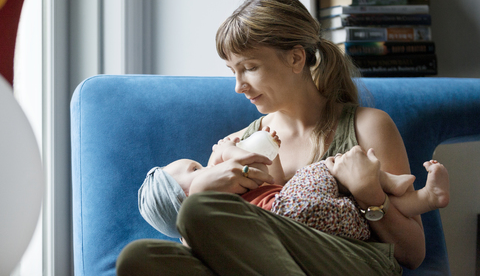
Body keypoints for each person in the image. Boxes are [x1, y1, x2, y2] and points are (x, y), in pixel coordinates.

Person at [117, 0, 428, 275]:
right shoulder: (242, 144)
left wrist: (370, 195)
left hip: (351, 262)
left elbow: (412, 253)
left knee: (200, 210)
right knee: (140, 258)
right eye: (232, 71)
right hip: (266, 265)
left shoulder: (367, 126)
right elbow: (208, 244)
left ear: (295, 58)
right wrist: (201, 190)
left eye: (249, 67)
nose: (238, 87)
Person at [138, 128, 449, 242]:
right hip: (291, 220)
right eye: (194, 168)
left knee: (354, 194)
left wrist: (270, 149)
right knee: (333, 165)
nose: (203, 166)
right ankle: (393, 183)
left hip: (336, 228)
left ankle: (424, 198)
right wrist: (226, 151)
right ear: (185, 197)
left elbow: (274, 180)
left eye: (249, 68)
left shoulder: (234, 186)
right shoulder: (214, 197)